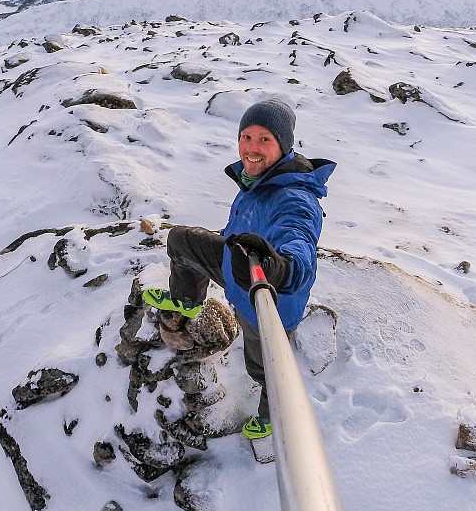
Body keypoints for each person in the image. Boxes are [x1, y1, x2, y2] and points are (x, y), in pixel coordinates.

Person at [143, 98, 335, 440]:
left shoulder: (293, 197)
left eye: (265, 139)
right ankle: (187, 300)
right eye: (247, 137)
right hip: (236, 266)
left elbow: (299, 247)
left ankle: (272, 415)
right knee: (182, 241)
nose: (252, 148)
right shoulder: (257, 180)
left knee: (265, 369)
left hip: (265, 301)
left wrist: (278, 270)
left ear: (283, 146)